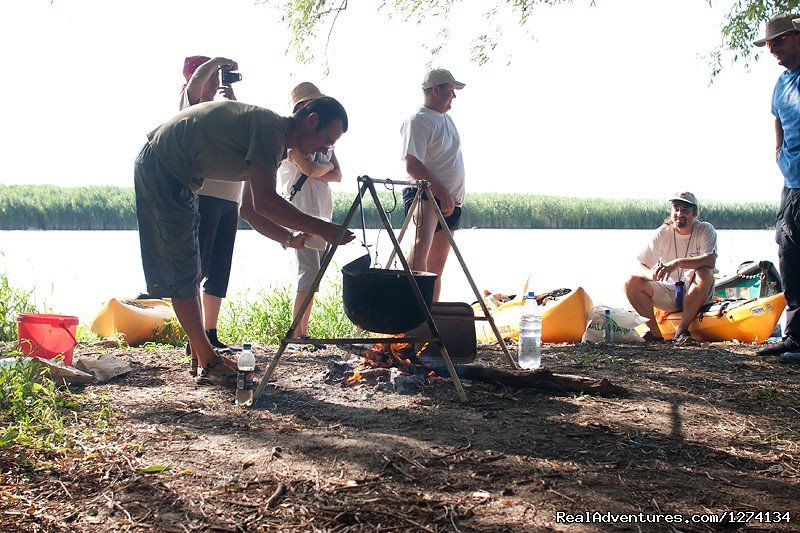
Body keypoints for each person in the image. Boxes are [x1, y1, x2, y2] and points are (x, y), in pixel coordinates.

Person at [134, 96, 355, 384]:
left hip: (179, 174)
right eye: (326, 140)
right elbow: (266, 202)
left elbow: (249, 211)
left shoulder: (274, 145)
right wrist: (324, 229)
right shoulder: (270, 131)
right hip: (163, 165)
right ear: (311, 120)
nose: (325, 150)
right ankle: (209, 361)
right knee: (183, 265)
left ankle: (201, 354)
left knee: (190, 264)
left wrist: (290, 238)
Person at [180, 56, 243, 356]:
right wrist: (217, 61)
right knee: (198, 266)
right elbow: (195, 85)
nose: (216, 81)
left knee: (220, 268)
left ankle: (210, 332)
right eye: (212, 76)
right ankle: (193, 336)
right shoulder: (189, 103)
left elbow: (245, 134)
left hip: (231, 196)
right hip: (203, 194)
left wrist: (233, 102)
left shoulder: (223, 108)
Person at [275, 82, 341, 346]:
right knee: (308, 271)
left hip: (322, 209)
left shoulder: (327, 144)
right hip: (300, 211)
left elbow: (338, 174)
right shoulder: (292, 141)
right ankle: (295, 332)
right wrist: (319, 169)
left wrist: (319, 168)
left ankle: (304, 330)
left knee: (317, 272)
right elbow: (311, 170)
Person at [754, 14, 800, 361]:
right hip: (791, 183)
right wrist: (778, 152)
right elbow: (777, 120)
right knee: (789, 254)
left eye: (779, 40)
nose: (772, 47)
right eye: (769, 43)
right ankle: (795, 337)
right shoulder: (781, 84)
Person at [400, 68, 466, 301]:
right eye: (450, 91)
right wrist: (440, 191)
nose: (454, 97)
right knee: (420, 253)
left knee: (437, 266)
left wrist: (450, 195)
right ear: (436, 90)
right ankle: (409, 316)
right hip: (426, 195)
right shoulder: (419, 120)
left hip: (450, 200)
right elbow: (413, 165)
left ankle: (430, 322)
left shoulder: (446, 120)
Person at [624, 192, 718, 343]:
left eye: (685, 210)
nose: (680, 214)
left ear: (694, 213)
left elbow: (710, 260)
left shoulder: (705, 230)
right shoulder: (662, 232)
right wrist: (652, 274)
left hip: (695, 290)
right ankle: (655, 334)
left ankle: (682, 331)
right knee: (631, 283)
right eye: (676, 209)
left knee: (704, 272)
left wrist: (677, 263)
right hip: (669, 291)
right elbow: (640, 265)